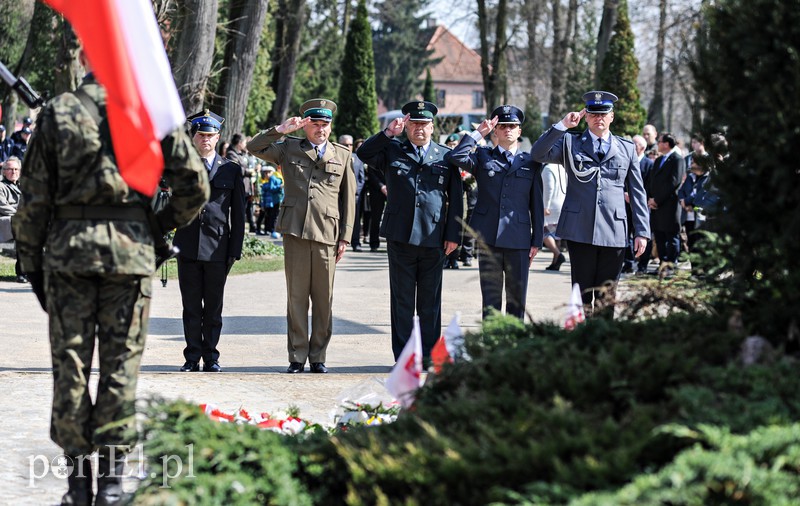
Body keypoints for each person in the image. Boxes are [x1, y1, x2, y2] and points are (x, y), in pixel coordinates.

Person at [12, 51, 209, 505]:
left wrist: (32, 262)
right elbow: (196, 186)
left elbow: (32, 200)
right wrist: (155, 228)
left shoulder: (59, 111)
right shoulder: (148, 112)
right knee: (121, 367)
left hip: (69, 258)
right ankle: (114, 482)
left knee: (71, 367)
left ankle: (78, 484)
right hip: (130, 258)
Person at [247, 98, 356, 374]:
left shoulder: (342, 155)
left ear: (330, 126)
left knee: (323, 299)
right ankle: (297, 355)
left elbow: (348, 200)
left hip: (327, 235)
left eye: (325, 124)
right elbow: (253, 147)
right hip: (295, 230)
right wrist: (281, 129)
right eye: (315, 124)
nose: (320, 129)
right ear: (306, 126)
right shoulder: (289, 148)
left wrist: (345, 237)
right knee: (296, 298)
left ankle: (318, 356)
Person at [357, 100, 463, 361]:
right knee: (402, 302)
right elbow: (364, 154)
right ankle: (405, 357)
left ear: (432, 127)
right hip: (400, 237)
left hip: (433, 237)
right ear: (406, 126)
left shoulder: (445, 156)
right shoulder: (392, 150)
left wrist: (453, 235)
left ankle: (427, 355)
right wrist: (387, 133)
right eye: (414, 123)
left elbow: (456, 199)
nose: (419, 128)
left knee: (430, 303)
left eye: (424, 124)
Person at [530, 91, 650, 317]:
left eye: (603, 113)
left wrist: (642, 231)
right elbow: (537, 154)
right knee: (581, 295)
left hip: (614, 230)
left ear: (611, 116)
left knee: (607, 296)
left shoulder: (626, 147)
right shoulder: (569, 142)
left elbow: (637, 192)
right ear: (586, 117)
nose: (599, 118)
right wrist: (562, 125)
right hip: (579, 228)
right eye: (593, 114)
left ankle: (603, 344)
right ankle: (581, 343)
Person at [446, 105, 543, 318]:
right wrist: (477, 134)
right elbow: (456, 157)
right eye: (502, 126)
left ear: (519, 131)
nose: (507, 129)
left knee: (517, 299)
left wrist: (537, 239)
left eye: (512, 126)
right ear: (495, 131)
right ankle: (491, 347)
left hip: (519, 239)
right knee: (490, 300)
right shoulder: (482, 156)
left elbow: (535, 203)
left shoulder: (530, 162)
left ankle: (514, 345)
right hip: (488, 236)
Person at [173, 110, 246, 373]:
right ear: (193, 138)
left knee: (213, 307)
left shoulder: (231, 169)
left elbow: (238, 213)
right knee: (191, 306)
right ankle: (192, 356)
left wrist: (235, 249)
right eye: (201, 135)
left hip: (218, 247)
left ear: (218, 138)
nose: (205, 140)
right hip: (188, 245)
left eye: (210, 135)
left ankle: (211, 356)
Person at [646, 132, 686, 275]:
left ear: (666, 144)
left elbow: (674, 183)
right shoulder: (658, 160)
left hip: (669, 205)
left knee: (671, 236)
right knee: (659, 236)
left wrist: (657, 200)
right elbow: (652, 181)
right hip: (656, 206)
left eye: (660, 141)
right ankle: (662, 264)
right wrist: (651, 199)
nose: (658, 144)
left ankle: (671, 266)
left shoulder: (677, 160)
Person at [0, 156, 25, 282]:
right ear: (4, 171)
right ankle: (21, 272)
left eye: (16, 169)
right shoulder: (1, 186)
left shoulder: (24, 186)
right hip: (5, 220)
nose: (13, 172)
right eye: (10, 169)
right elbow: (3, 206)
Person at [340, 134, 365, 252]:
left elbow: (361, 179)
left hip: (354, 196)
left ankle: (356, 243)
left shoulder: (357, 158)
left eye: (350, 144)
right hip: (337, 196)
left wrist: (354, 192)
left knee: (354, 220)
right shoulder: (333, 156)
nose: (348, 147)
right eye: (345, 144)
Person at [226, 133, 256, 233]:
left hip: (245, 188)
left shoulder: (241, 154)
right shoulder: (231, 154)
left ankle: (239, 231)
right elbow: (236, 169)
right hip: (238, 187)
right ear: (239, 143)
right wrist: (248, 171)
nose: (245, 144)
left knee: (243, 211)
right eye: (244, 142)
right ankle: (235, 231)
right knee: (238, 212)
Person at [541, 162, 567, 271]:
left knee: (544, 232)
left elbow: (549, 188)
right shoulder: (562, 168)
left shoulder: (548, 168)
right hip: (562, 203)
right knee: (556, 234)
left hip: (551, 206)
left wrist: (545, 206)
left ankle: (558, 254)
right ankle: (555, 261)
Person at [258, 164, 283, 237]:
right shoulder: (268, 181)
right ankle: (267, 230)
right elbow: (265, 193)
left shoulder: (275, 177)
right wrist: (280, 187)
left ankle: (269, 230)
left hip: (272, 202)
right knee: (268, 216)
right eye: (265, 173)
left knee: (271, 216)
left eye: (269, 172)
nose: (267, 174)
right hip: (268, 203)